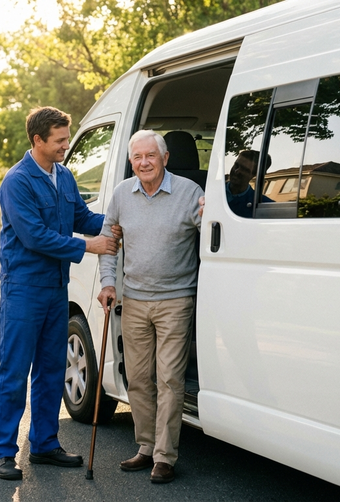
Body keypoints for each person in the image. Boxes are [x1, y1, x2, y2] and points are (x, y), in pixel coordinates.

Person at [0, 106, 121, 481]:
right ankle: (3, 453)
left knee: (51, 370)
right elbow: (34, 237)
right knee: (14, 372)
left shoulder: (63, 176)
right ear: (38, 140)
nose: (66, 145)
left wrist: (116, 225)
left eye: (66, 138)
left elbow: (82, 216)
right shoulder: (16, 182)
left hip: (55, 289)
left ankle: (45, 444)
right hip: (23, 291)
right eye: (60, 140)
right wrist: (90, 247)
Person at [97, 130, 204, 484]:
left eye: (151, 156)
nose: (144, 163)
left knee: (169, 379)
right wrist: (108, 283)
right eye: (137, 157)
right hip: (135, 300)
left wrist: (214, 213)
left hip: (176, 300)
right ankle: (145, 447)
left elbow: (215, 231)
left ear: (165, 158)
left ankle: (164, 456)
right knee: (139, 378)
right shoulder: (121, 195)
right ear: (131, 162)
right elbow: (109, 242)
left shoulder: (190, 192)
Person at [225, 149, 272, 217]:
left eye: (244, 169)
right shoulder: (211, 191)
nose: (237, 171)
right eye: (236, 165)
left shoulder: (264, 205)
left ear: (255, 174)